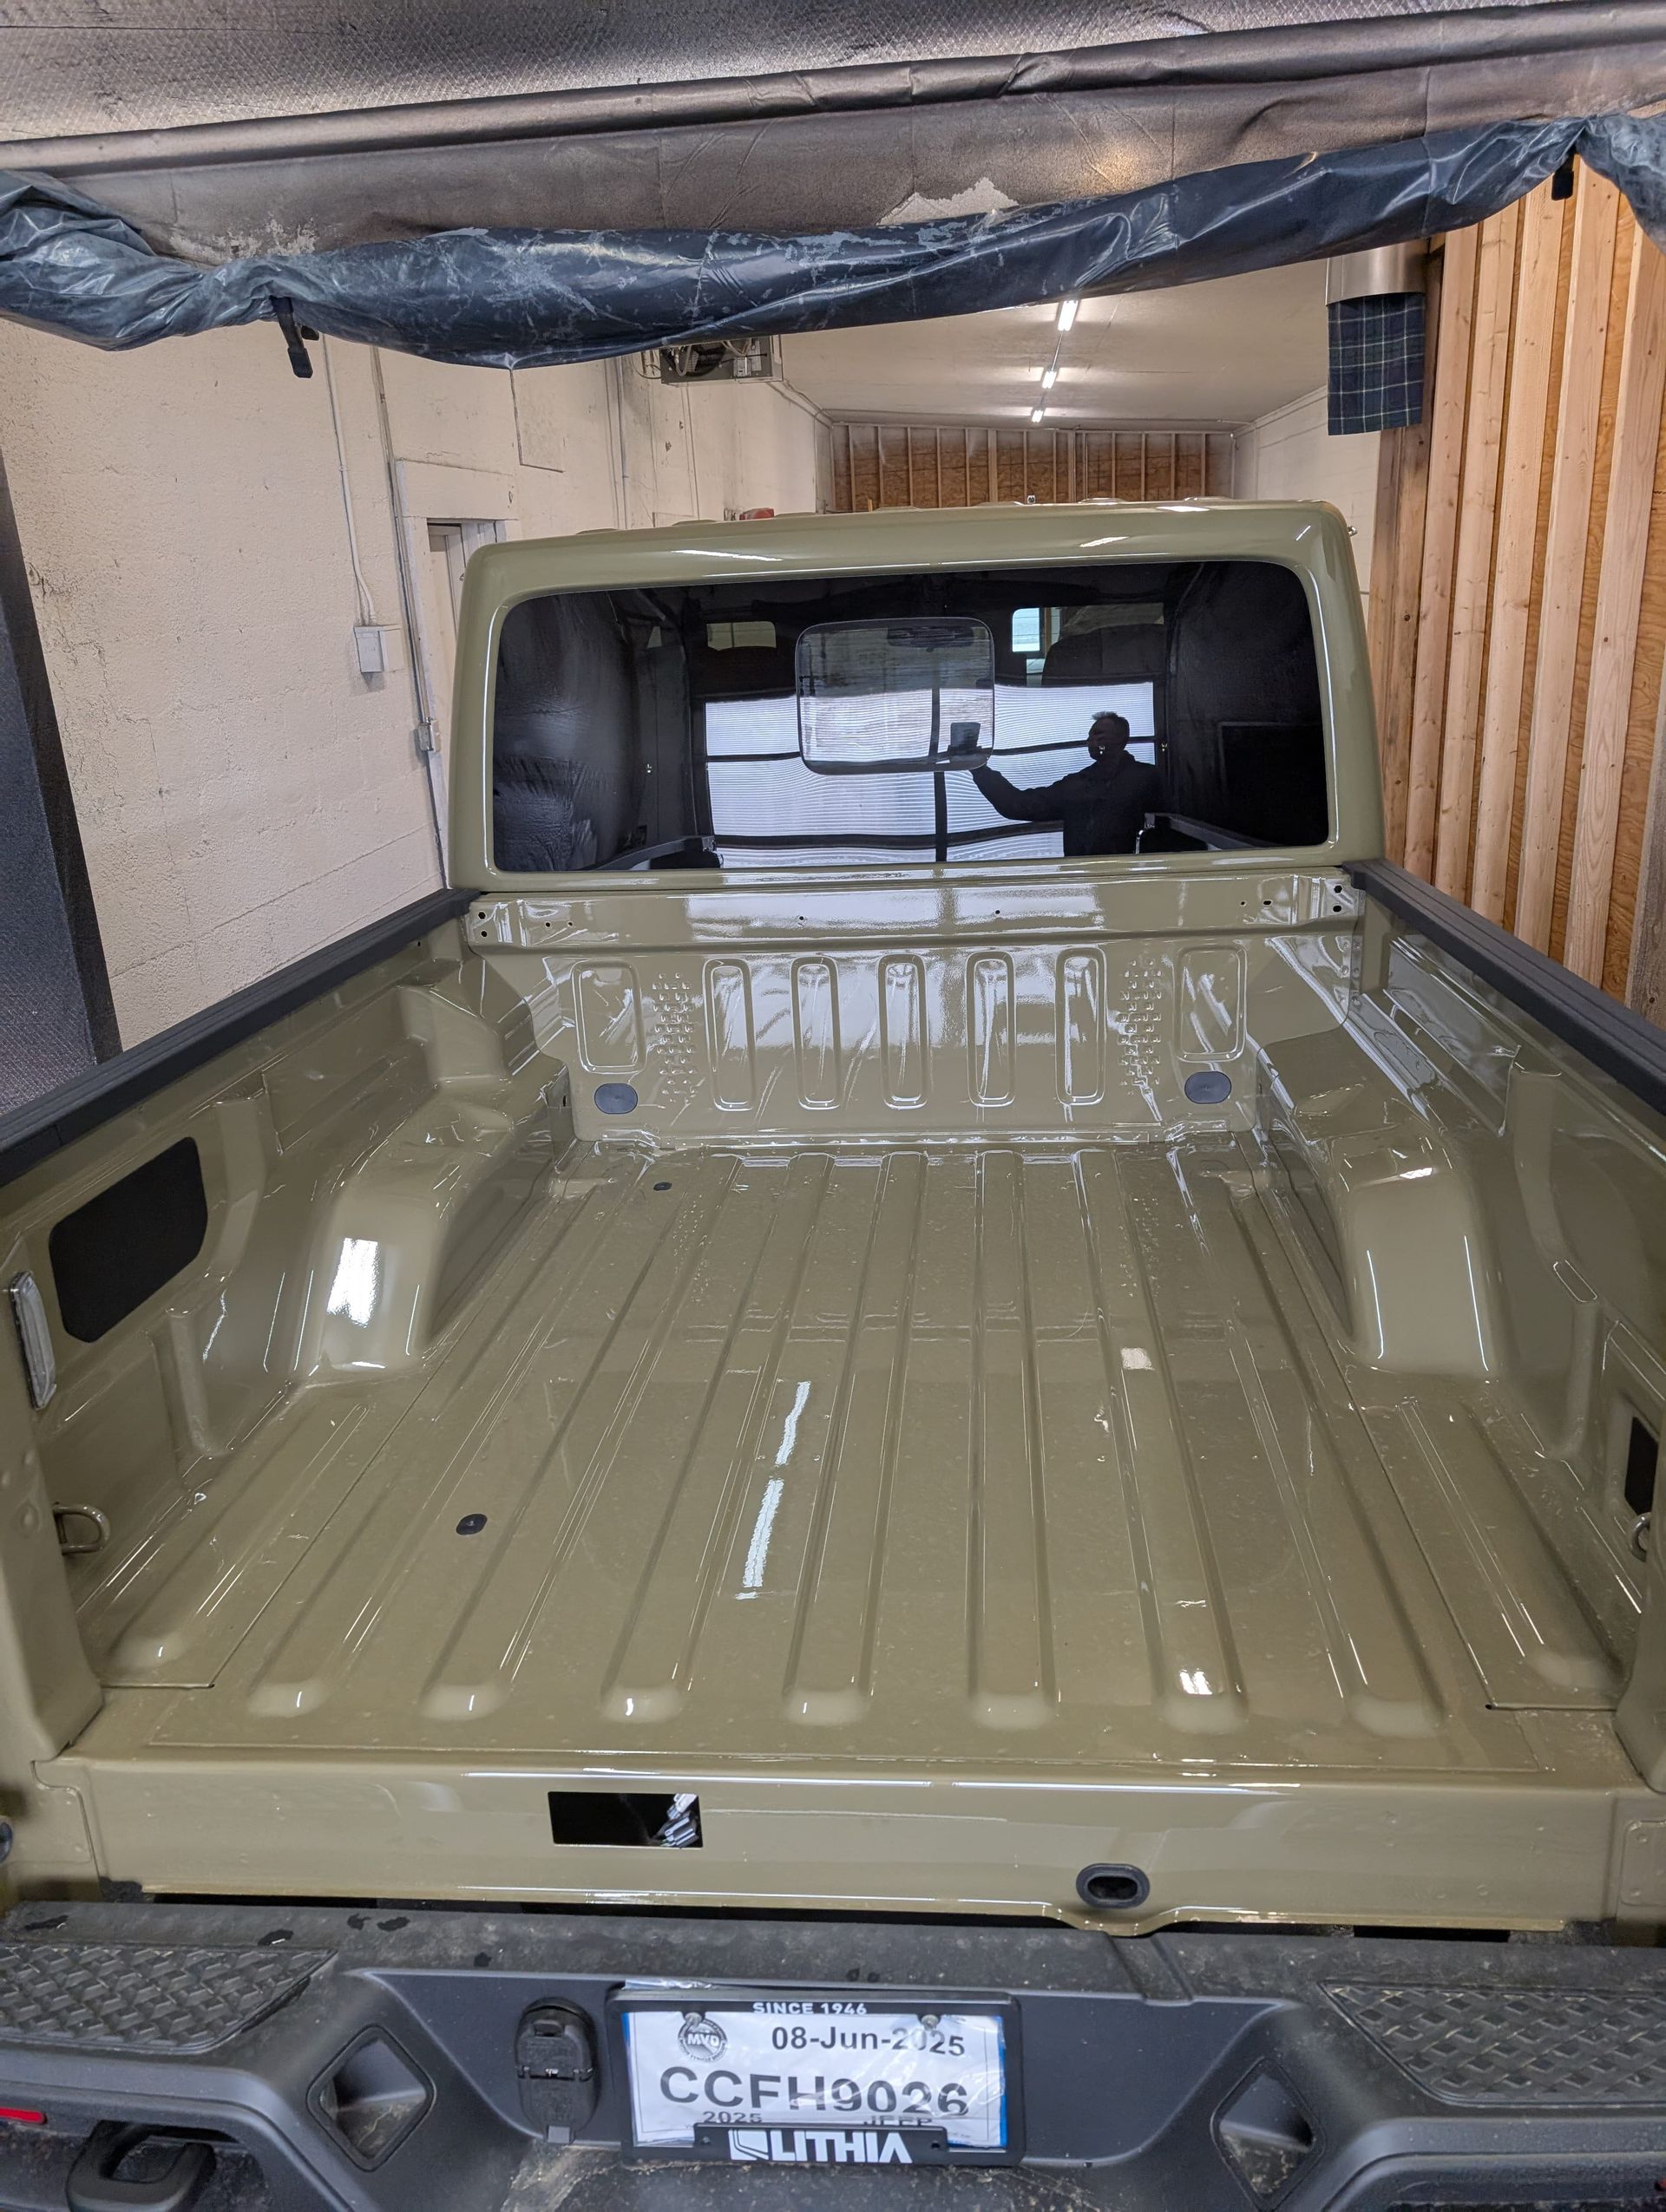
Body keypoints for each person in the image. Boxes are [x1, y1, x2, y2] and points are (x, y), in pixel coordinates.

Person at [968, 710, 1160, 857]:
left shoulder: (1148, 778)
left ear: (1122, 738)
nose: (1092, 741)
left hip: (1135, 882)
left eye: (1099, 734)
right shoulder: (1076, 786)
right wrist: (978, 768)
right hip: (1084, 884)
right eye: (1090, 737)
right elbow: (1019, 805)